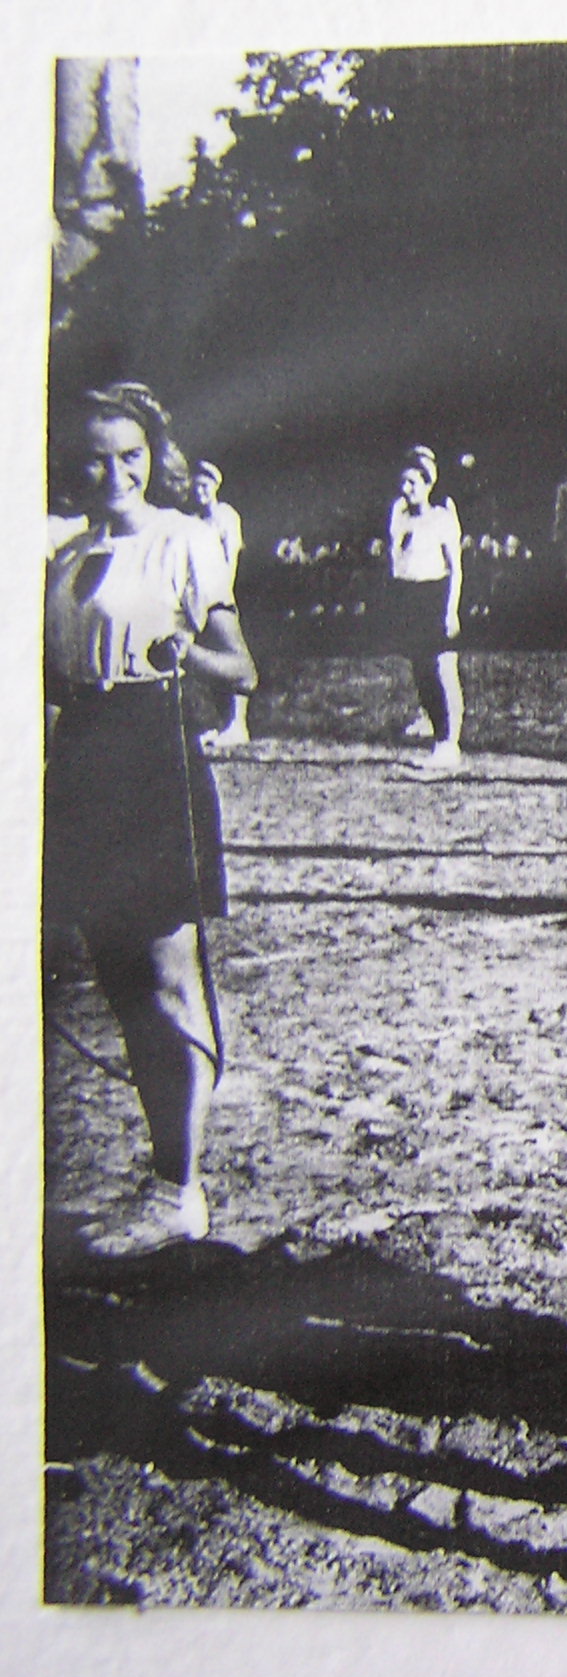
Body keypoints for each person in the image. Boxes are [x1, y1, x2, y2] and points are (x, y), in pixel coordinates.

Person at [45, 383, 260, 1256]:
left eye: (129, 456)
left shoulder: (184, 540)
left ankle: (180, 1189)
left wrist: (187, 651)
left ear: (152, 455)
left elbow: (241, 670)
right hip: (82, 754)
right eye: (96, 459)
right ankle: (166, 1174)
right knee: (119, 980)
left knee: (168, 979)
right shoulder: (64, 555)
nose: (114, 474)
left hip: (154, 749)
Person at [387, 446, 467, 775]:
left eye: (413, 483)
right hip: (409, 595)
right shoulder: (402, 518)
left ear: (427, 484)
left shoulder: (442, 518)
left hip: (434, 595)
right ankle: (436, 733)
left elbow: (455, 569)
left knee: (437, 670)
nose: (406, 489)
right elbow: (396, 562)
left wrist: (451, 611)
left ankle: (448, 743)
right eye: (403, 483)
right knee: (420, 670)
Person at [189, 460, 252, 753]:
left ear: (215, 486)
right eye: (196, 486)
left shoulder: (225, 516)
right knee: (211, 661)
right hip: (197, 599)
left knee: (232, 657)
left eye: (205, 486)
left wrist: (224, 594)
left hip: (220, 597)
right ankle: (219, 722)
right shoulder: (193, 520)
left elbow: (231, 556)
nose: (200, 492)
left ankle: (238, 724)